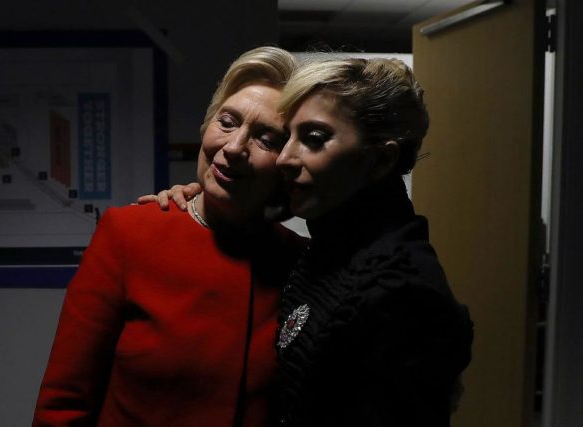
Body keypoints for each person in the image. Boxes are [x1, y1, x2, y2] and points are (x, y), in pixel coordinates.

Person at [149, 57, 474, 427]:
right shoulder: (328, 248)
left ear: (381, 160)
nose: (285, 158)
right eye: (287, 138)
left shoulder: (395, 290)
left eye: (314, 140)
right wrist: (203, 199)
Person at [33, 46, 307, 427]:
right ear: (206, 126)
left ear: (288, 161)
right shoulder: (129, 234)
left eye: (265, 138)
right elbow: (64, 404)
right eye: (227, 122)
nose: (233, 148)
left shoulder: (301, 263)